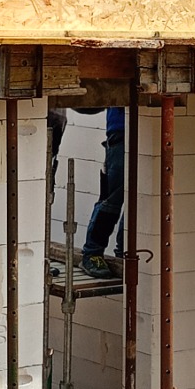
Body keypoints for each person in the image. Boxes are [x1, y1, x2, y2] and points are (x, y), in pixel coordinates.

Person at [80, 107, 126, 277]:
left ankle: (124, 254)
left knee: (140, 199)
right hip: (121, 131)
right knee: (113, 199)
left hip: (144, 128)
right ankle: (92, 253)